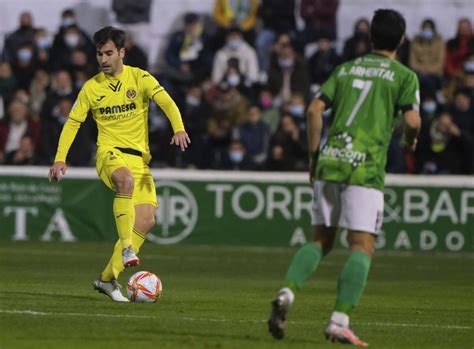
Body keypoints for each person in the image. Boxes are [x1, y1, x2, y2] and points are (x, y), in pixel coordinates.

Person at [268, 9, 421, 346]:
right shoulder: (404, 76)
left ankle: (287, 293)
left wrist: (313, 157)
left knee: (320, 241)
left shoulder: (345, 69)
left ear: (369, 38)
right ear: (401, 40)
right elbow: (412, 122)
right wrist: (409, 143)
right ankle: (338, 321)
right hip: (363, 168)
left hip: (331, 160)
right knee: (362, 246)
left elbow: (313, 110)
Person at [47, 26, 190, 302]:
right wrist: (60, 158)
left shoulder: (140, 78)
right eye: (99, 53)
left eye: (109, 53)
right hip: (109, 154)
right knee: (124, 181)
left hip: (140, 161)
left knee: (147, 221)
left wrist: (179, 128)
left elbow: (167, 102)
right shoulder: (91, 88)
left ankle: (107, 279)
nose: (103, 59)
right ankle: (127, 248)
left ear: (122, 52)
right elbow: (73, 122)